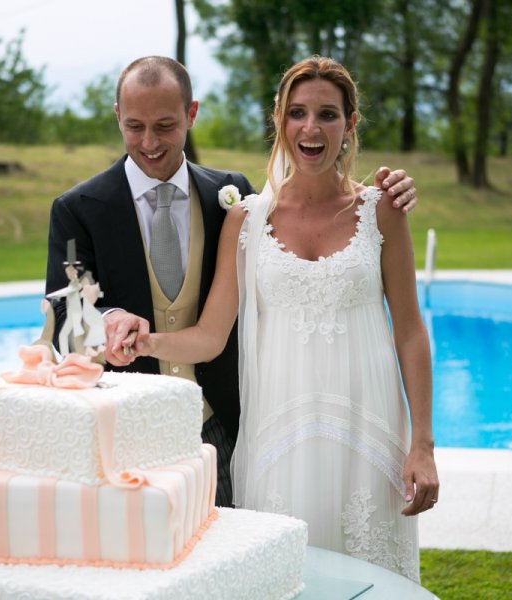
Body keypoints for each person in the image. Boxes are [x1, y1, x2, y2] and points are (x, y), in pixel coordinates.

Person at [45, 56, 420, 509]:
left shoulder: (228, 195)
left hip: (224, 421)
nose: (149, 142)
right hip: (126, 421)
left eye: (165, 125)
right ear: (117, 117)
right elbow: (68, 311)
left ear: (191, 114)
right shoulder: (74, 210)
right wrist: (112, 319)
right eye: (134, 126)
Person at [130, 56, 438, 582]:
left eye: (327, 114)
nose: (311, 128)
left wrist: (423, 446)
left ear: (350, 123)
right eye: (298, 113)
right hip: (278, 444)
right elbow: (208, 337)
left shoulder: (381, 210)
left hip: (369, 439)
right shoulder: (245, 219)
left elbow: (410, 332)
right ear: (279, 120)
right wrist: (143, 341)